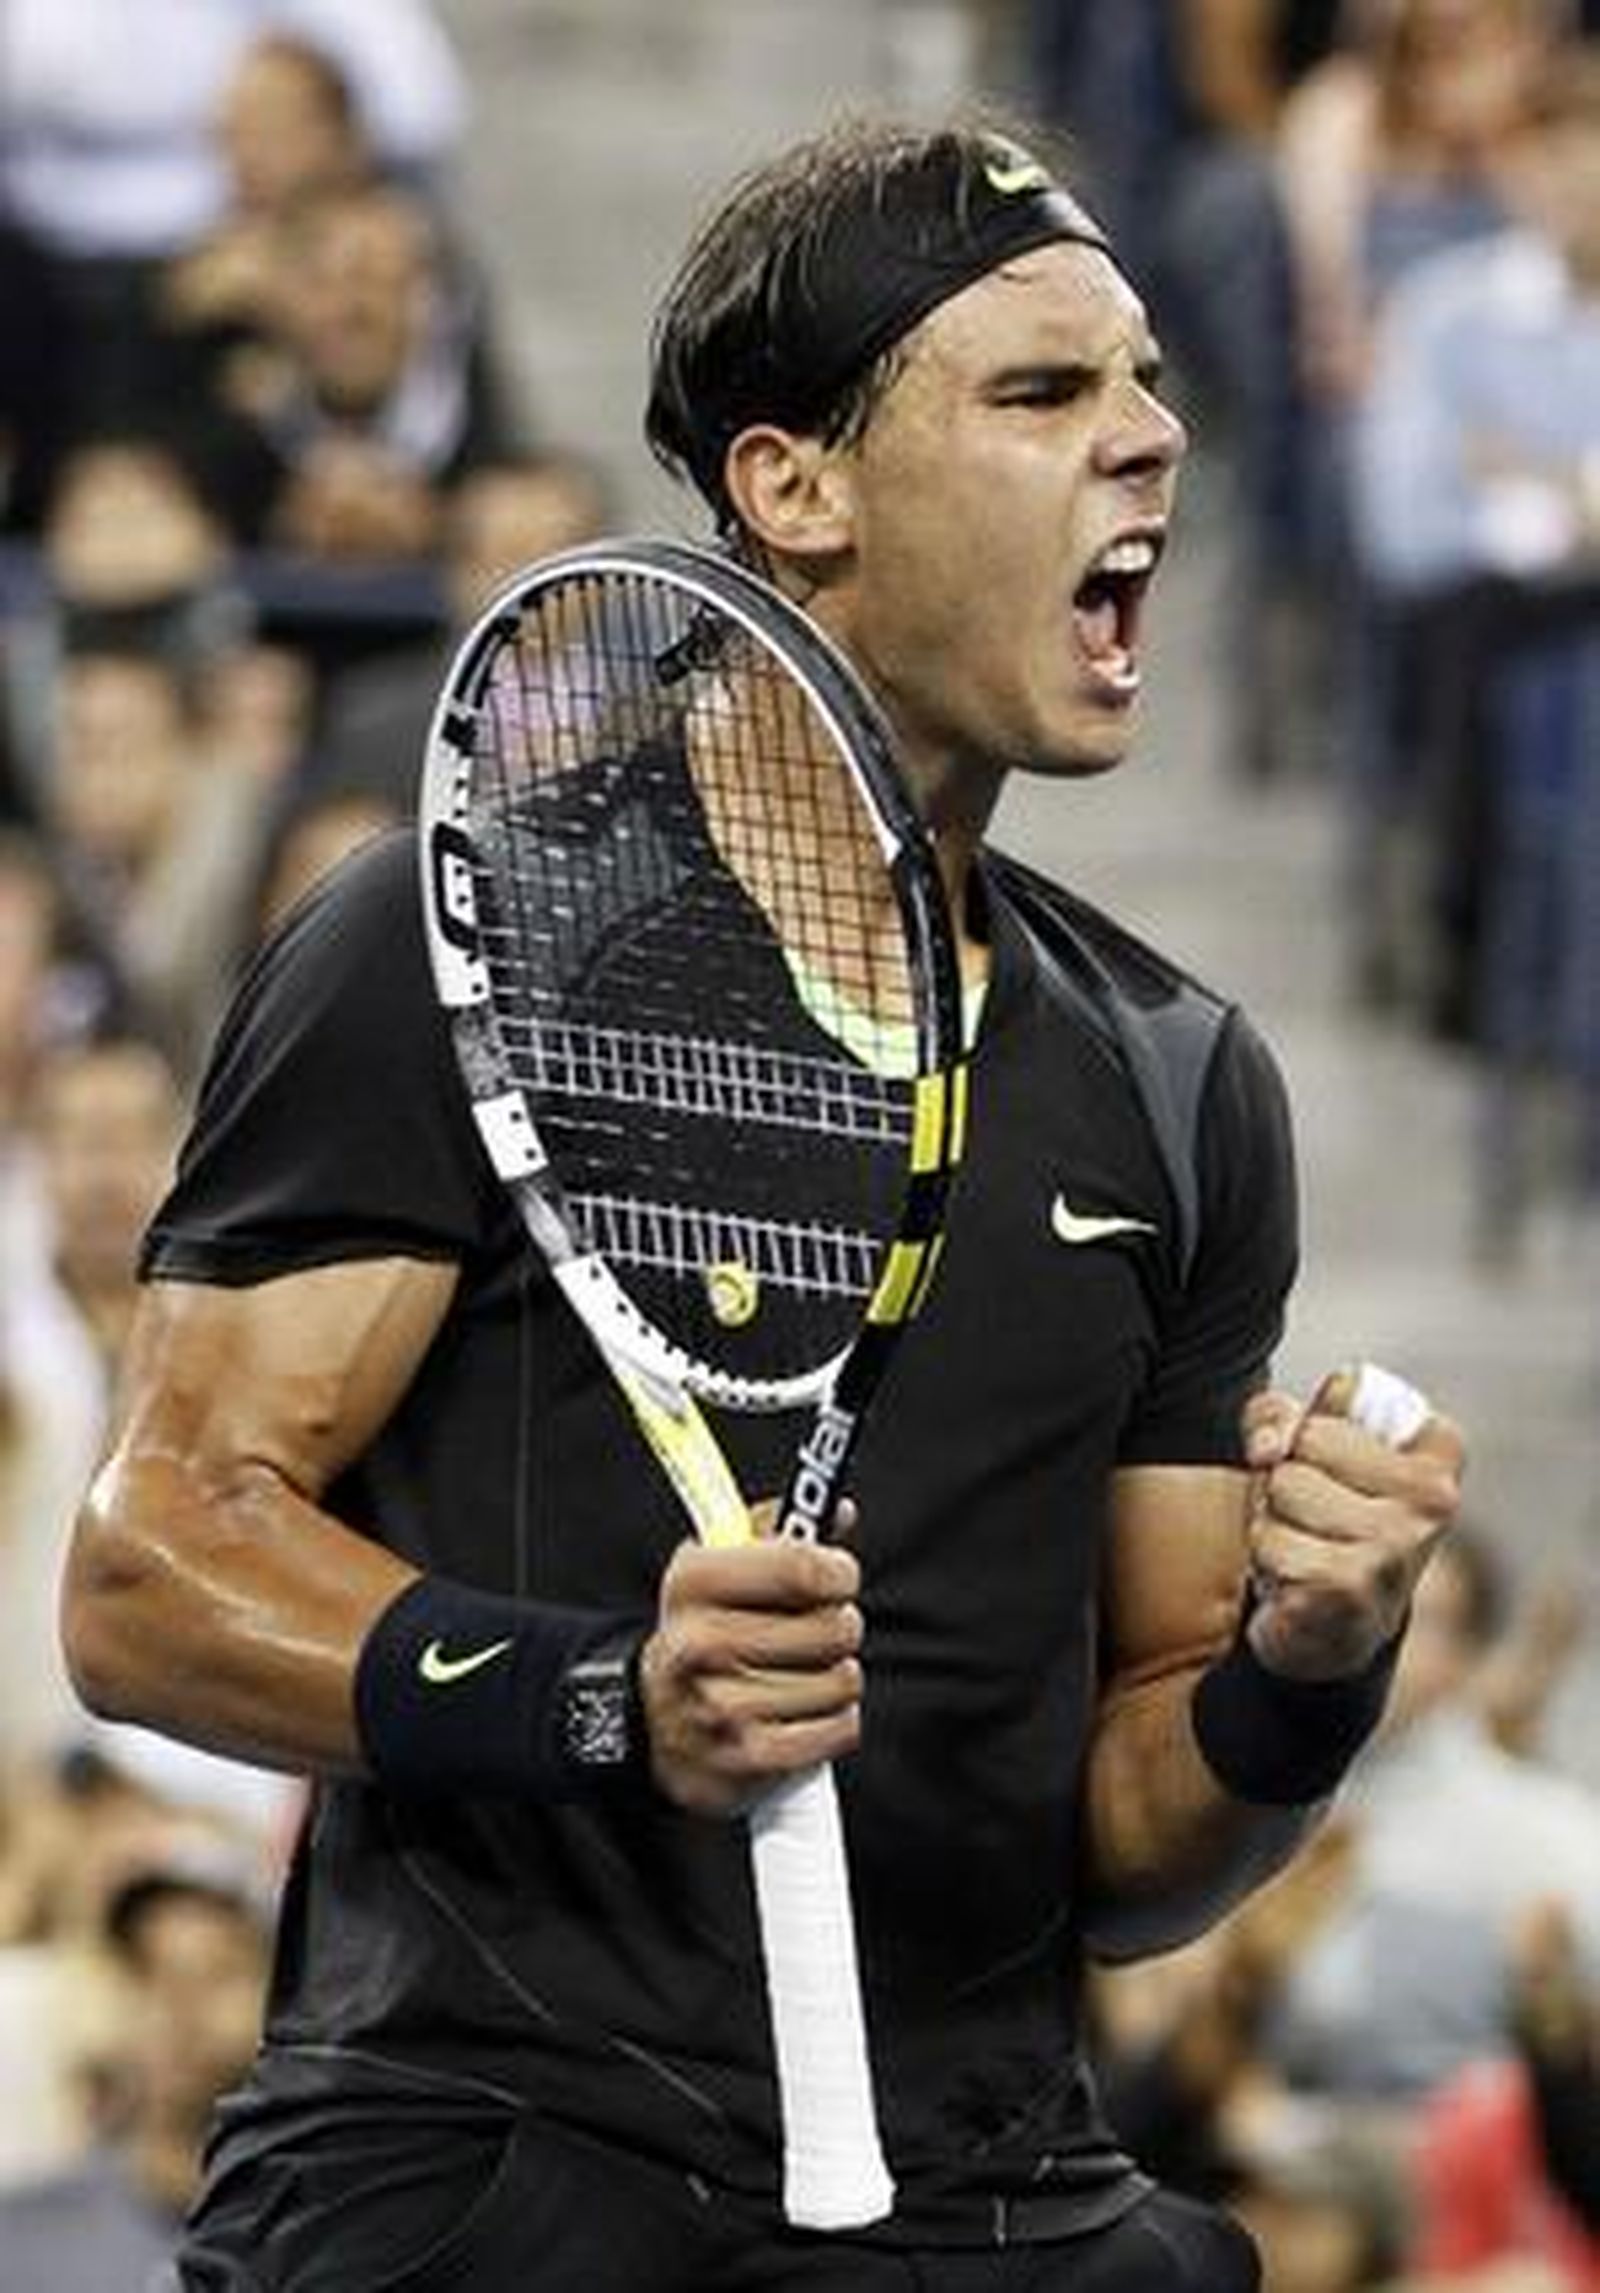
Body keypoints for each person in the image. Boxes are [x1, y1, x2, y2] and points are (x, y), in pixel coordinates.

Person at [61, 115, 1465, 2290]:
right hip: (500, 2151)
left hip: (985, 2184)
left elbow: (1129, 1853)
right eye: (1038, 391)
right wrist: (604, 1694)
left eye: (1149, 383)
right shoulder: (461, 943)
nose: (1147, 442)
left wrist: (1305, 1666)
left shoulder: (1181, 1083)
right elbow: (151, 1571)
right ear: (791, 486)